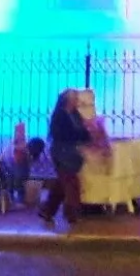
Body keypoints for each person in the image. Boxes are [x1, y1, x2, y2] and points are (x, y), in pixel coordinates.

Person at [37, 90, 92, 226]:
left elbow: (83, 131)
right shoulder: (60, 115)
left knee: (61, 183)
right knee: (71, 182)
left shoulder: (75, 114)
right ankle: (72, 214)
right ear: (68, 100)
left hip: (72, 153)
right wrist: (80, 134)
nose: (77, 101)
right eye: (74, 98)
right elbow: (63, 134)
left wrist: (87, 135)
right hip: (61, 153)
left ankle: (47, 210)